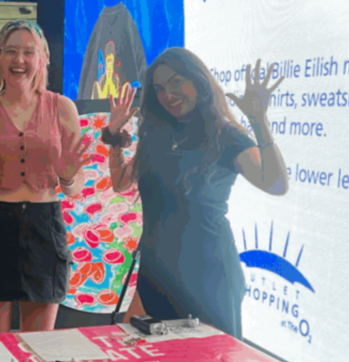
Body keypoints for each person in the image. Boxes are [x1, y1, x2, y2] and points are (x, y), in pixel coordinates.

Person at [106, 48, 289, 338]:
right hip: (157, 273)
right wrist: (115, 138)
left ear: (198, 81)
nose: (168, 94)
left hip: (208, 276)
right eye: (160, 88)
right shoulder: (157, 134)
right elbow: (121, 182)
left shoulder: (225, 136)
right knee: (143, 359)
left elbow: (275, 184)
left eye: (176, 82)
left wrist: (258, 121)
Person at [0, 20, 91, 334]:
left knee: (40, 345)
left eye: (29, 51)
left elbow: (75, 188)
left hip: (44, 225)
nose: (19, 60)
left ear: (43, 58)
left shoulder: (62, 108)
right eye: (11, 51)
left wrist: (68, 178)